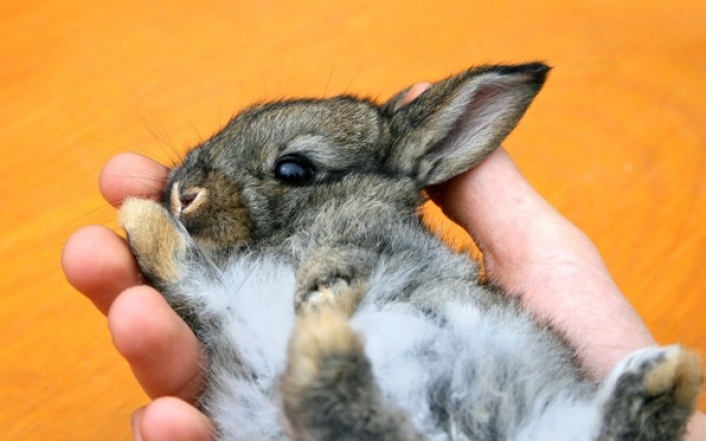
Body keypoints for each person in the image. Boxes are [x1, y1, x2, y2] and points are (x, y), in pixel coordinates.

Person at [62, 85, 705, 441]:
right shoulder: (243, 268)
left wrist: (338, 267)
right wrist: (172, 262)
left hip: (460, 368)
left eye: (291, 170)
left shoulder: (364, 214)